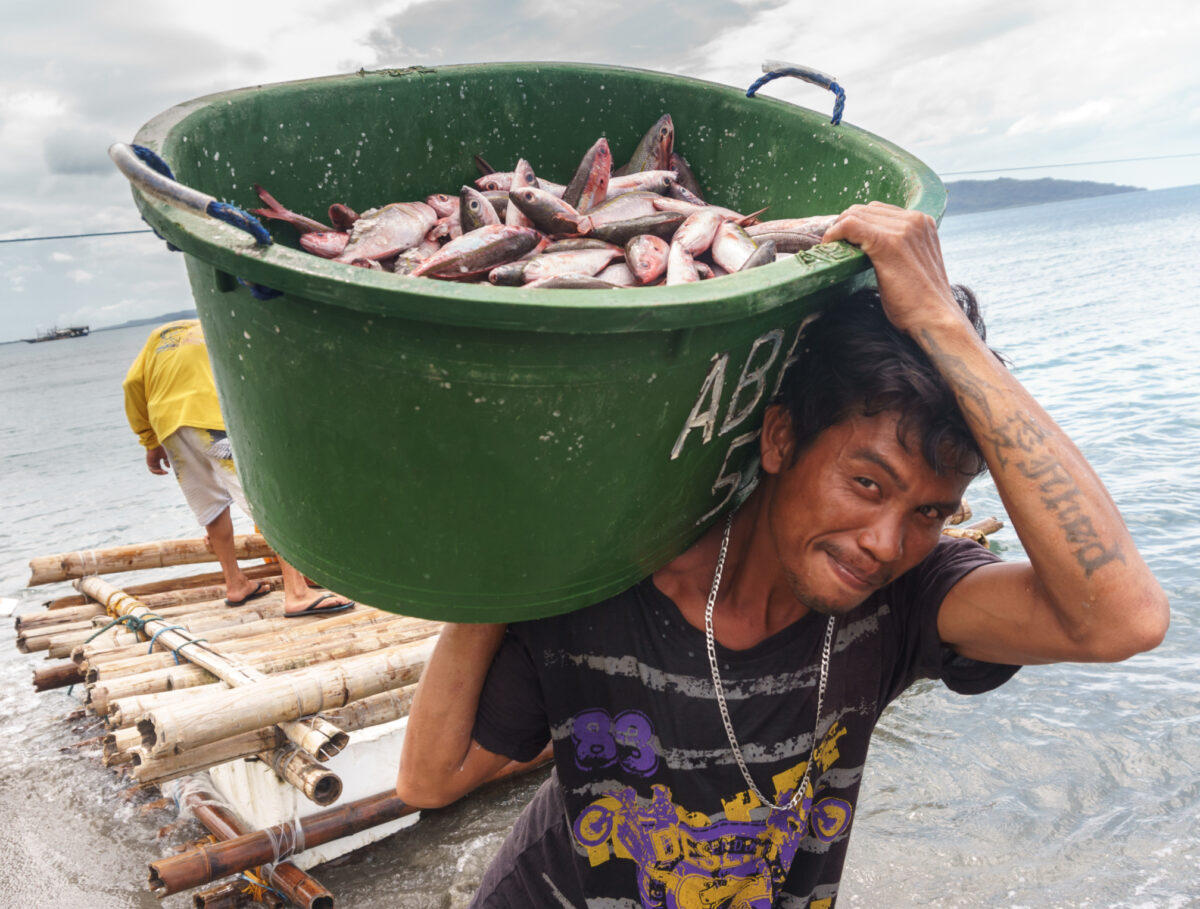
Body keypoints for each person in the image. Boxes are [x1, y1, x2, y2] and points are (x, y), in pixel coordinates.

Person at [395, 203, 1169, 908]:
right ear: (779, 438)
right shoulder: (608, 590)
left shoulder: (901, 603)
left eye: (929, 512)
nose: (886, 541)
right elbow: (431, 778)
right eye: (867, 482)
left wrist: (944, 327)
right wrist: (504, 570)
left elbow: (1122, 620)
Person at [123, 319, 354, 617]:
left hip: (169, 426)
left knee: (212, 505)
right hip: (211, 419)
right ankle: (297, 593)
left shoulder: (159, 335)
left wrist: (150, 441)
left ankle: (235, 584)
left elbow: (131, 385)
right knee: (268, 500)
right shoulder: (227, 327)